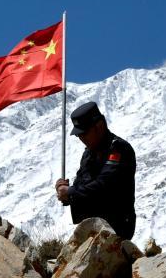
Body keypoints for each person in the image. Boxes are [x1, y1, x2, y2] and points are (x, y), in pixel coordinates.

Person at [55, 101, 137, 239]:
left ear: (99, 126)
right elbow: (82, 185)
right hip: (91, 228)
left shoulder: (119, 149)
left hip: (117, 227)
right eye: (78, 135)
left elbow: (105, 185)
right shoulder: (89, 153)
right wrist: (66, 192)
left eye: (84, 133)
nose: (81, 138)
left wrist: (70, 192)